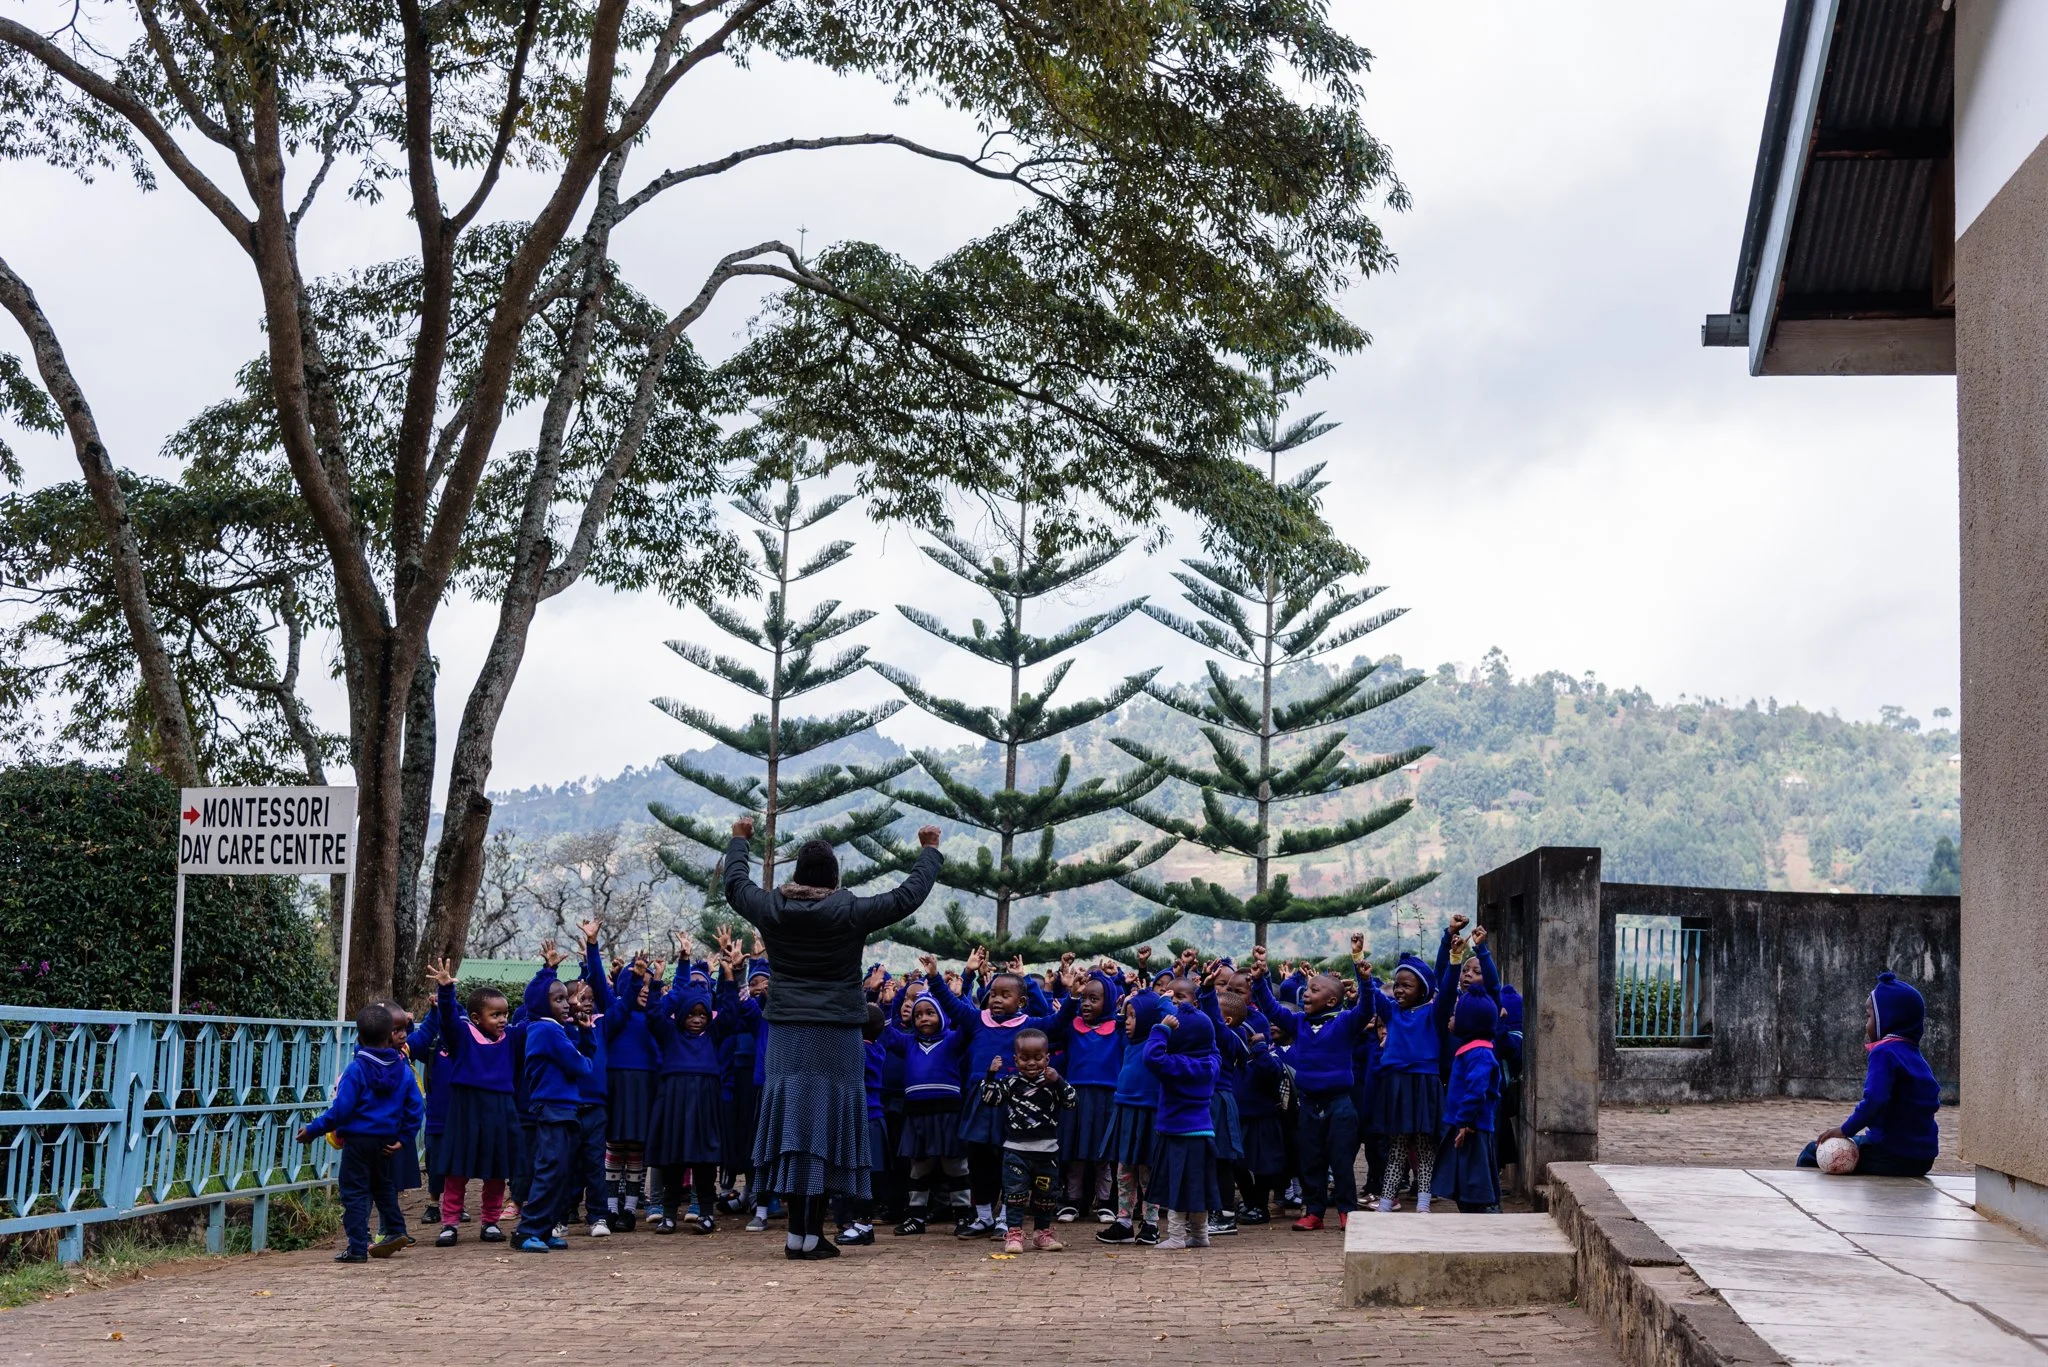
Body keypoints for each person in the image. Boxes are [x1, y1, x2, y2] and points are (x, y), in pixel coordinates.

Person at [722, 817, 944, 1260]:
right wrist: (929, 851)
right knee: (827, 1129)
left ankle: (794, 1236)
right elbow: (906, 897)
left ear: (798, 876)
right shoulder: (850, 910)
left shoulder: (771, 909)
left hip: (786, 1033)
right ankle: (812, 1235)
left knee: (793, 1128)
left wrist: (740, 840)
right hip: (838, 1033)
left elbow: (735, 884)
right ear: (835, 877)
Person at [921, 947, 1076, 1240]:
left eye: (1005, 995)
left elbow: (1057, 1023)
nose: (997, 1000)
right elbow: (952, 1006)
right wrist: (934, 978)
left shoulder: (1029, 1025)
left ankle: (1007, 1218)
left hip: (1014, 1105)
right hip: (980, 1102)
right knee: (980, 1162)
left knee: (1011, 1162)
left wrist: (1073, 997)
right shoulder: (978, 1020)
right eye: (993, 994)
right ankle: (982, 1218)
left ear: (1022, 1001)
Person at [1250, 941, 1374, 1230]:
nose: (1306, 993)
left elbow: (1366, 1011)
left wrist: (1365, 982)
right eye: (1307, 989)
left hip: (1339, 1104)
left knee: (1341, 1160)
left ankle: (1347, 1211)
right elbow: (1271, 1008)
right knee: (1311, 1160)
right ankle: (1314, 1211)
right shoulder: (1299, 1023)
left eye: (1314, 990)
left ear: (1331, 1001)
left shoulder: (1343, 1021)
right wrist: (1261, 977)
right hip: (1307, 1104)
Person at [299, 1003, 422, 1263]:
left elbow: (341, 1110)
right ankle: (397, 1230)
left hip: (357, 1141)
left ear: (358, 1038)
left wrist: (313, 1130)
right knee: (383, 1187)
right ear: (390, 1035)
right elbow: (416, 1106)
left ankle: (357, 1247)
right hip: (386, 1141)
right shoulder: (403, 1069)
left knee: (354, 1192)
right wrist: (404, 1138)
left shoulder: (356, 1070)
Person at [1797, 971, 1941, 1177]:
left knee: (1812, 1152)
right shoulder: (1915, 1056)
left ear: (1888, 1019)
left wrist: (1845, 1130)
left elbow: (1874, 1100)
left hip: (1891, 1155)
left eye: (1869, 1016)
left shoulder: (1884, 1052)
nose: (1866, 1024)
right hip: (1923, 1159)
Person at [430, 961, 521, 1245]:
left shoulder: (513, 1038)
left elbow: (536, 1010)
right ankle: (450, 1223)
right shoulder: (462, 1036)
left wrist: (547, 971)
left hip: (500, 1109)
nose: (502, 1019)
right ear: (476, 1017)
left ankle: (491, 1221)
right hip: (465, 1109)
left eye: (505, 1014)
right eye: (495, 1015)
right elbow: (446, 1018)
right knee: (457, 1169)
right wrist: (446, 990)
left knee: (496, 1170)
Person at [645, 956, 737, 1234]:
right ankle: (669, 1214)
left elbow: (731, 1013)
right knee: (673, 1160)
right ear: (681, 1016)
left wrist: (729, 976)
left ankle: (706, 1214)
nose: (697, 1020)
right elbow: (653, 1014)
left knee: (704, 1161)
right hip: (675, 1100)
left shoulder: (713, 1035)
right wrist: (660, 982)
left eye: (702, 1015)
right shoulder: (670, 1034)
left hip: (705, 1102)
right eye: (691, 1014)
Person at [1366, 951, 1455, 1213]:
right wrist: (1360, 964)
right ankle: (1385, 1201)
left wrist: (1455, 959)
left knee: (1426, 1146)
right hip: (1397, 1085)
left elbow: (1448, 991)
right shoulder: (1392, 1012)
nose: (1399, 990)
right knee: (1397, 1146)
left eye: (1407, 985)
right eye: (1397, 985)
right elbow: (1371, 991)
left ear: (1423, 990)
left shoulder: (1433, 1014)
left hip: (1425, 1083)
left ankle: (1424, 1201)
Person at [514, 975, 595, 1252]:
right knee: (550, 1170)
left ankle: (544, 1229)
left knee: (561, 1171)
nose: (566, 1004)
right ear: (540, 1003)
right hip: (553, 1108)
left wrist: (585, 1033)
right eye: (558, 999)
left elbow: (579, 1061)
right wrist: (584, 1049)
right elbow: (582, 1067)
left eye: (565, 998)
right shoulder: (548, 1031)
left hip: (562, 1107)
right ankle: (528, 1230)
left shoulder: (550, 1029)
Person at [980, 1029, 1078, 1254]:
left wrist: (1060, 1081)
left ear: (1047, 1058)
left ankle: (1042, 1233)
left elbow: (1073, 1102)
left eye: (1037, 1057)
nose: (1031, 1063)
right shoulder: (1011, 1083)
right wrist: (990, 1075)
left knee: (1046, 1195)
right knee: (1015, 1194)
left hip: (1047, 1153)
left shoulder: (1053, 1083)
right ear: (1016, 1059)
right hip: (1016, 1151)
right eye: (1024, 1058)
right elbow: (989, 1099)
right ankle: (1014, 1234)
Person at [888, 984, 968, 1235]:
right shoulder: (907, 1043)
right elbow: (886, 1030)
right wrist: (898, 998)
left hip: (948, 1113)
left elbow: (969, 1022)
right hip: (917, 1115)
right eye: (918, 1014)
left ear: (942, 1016)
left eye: (930, 1013)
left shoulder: (953, 1040)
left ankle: (964, 1215)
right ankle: (916, 1217)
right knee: (919, 1167)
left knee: (955, 1165)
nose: (923, 1018)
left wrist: (957, 994)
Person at [1144, 1007, 1222, 1250]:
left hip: (1178, 1136)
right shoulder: (1212, 1063)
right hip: (1203, 1135)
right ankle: (1200, 1234)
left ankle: (1176, 1236)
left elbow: (1150, 1057)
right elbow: (1214, 1046)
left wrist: (1161, 1030)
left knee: (1177, 1187)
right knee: (1197, 1186)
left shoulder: (1177, 1064)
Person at [1096, 989, 1169, 1246]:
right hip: (1125, 1109)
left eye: (1133, 1016)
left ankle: (1150, 1223)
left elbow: (1170, 1019)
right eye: (1127, 1016)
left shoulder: (1158, 1042)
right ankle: (1124, 1221)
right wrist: (1128, 1002)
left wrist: (1160, 1002)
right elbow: (1118, 1023)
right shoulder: (1129, 1042)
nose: (1127, 1021)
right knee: (1124, 1169)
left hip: (1150, 1112)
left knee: (1149, 1170)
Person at [1054, 968, 1123, 1222]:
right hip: (1075, 1097)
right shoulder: (1073, 1027)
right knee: (1074, 1152)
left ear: (1109, 1002)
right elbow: (1054, 1024)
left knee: (1102, 1155)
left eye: (1094, 999)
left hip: (1106, 1099)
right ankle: (1071, 1201)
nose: (1087, 1004)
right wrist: (1068, 994)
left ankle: (1105, 1202)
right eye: (1085, 998)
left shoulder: (1118, 1028)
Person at [1430, 992, 1503, 1212]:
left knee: (1474, 1183)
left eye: (1454, 1015)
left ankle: (1486, 1215)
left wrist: (1463, 1122)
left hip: (1472, 1128)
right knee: (1464, 1182)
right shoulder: (1471, 1050)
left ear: (1468, 1022)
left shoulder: (1479, 1052)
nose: (1450, 1019)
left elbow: (1476, 1090)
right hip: (1464, 1125)